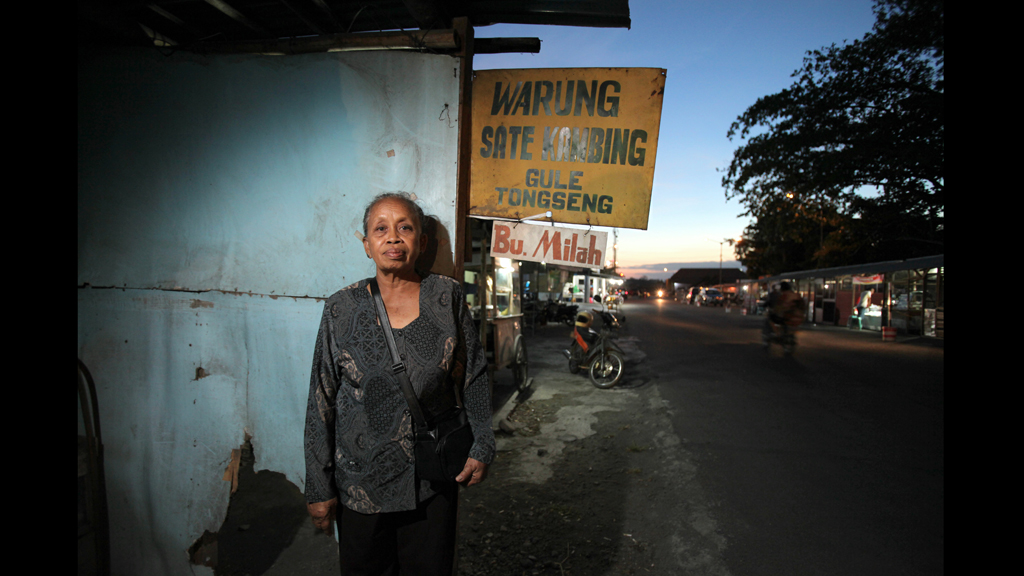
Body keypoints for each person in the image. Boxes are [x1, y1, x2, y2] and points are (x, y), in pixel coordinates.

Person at [304, 192, 495, 576]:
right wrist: (318, 488)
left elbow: (473, 374)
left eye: (405, 228)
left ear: (421, 243)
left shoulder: (447, 297)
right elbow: (320, 398)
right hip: (361, 485)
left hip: (431, 479)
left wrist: (483, 443)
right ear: (367, 245)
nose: (393, 238)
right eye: (381, 229)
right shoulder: (341, 308)